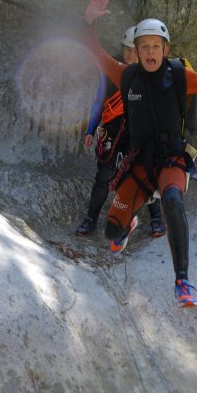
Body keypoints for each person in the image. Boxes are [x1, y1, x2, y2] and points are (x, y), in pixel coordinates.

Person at [82, 0, 197, 307]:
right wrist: (88, 22)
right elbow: (95, 54)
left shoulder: (181, 76)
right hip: (139, 162)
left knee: (171, 199)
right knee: (112, 233)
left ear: (166, 49)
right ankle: (127, 223)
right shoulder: (127, 76)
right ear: (136, 51)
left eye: (156, 46)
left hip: (171, 160)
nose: (150, 52)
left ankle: (182, 281)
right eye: (144, 47)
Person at [76, 27, 166, 238]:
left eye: (133, 50)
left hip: (141, 132)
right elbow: (100, 101)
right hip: (114, 130)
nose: (129, 55)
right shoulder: (111, 70)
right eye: (126, 49)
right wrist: (91, 129)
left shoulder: (153, 73)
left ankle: (156, 219)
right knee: (104, 175)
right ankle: (90, 219)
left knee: (148, 173)